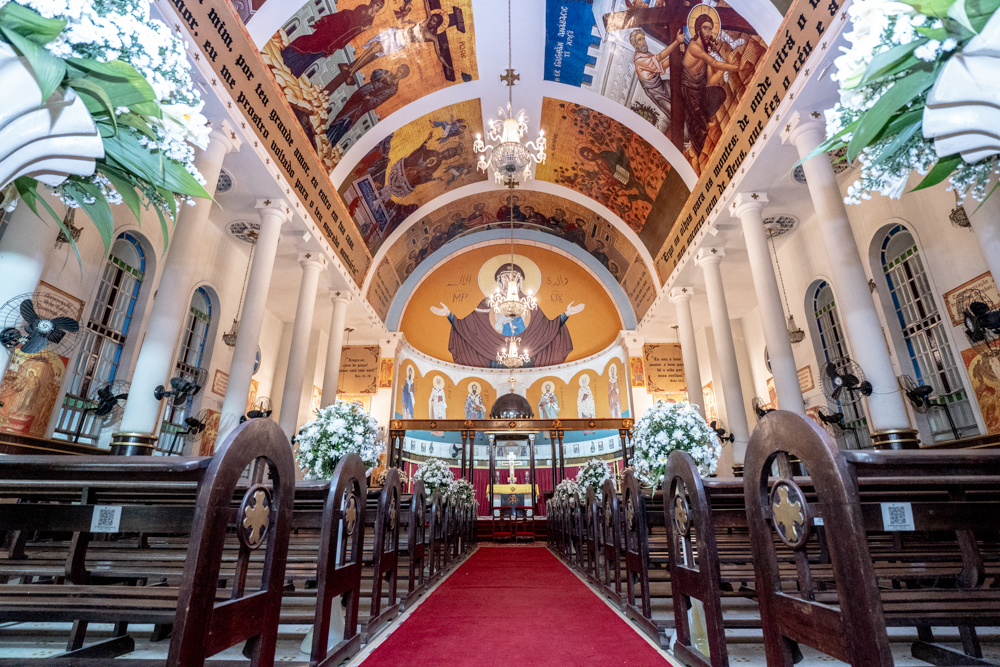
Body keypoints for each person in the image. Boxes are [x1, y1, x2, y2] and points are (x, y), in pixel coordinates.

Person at [429, 264, 585, 368]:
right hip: (494, 358)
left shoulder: (530, 304)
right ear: (499, 280)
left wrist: (567, 314)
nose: (510, 280)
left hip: (526, 359)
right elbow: (468, 327)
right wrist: (449, 315)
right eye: (505, 277)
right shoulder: (487, 303)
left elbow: (546, 329)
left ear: (519, 281)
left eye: (514, 277)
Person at [682, 12, 742, 160]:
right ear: (697, 30)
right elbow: (714, 63)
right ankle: (695, 140)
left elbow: (711, 81)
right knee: (702, 120)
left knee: (719, 93)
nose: (708, 33)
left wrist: (726, 66)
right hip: (688, 91)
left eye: (710, 29)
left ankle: (697, 144)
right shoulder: (695, 48)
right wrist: (735, 67)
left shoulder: (706, 50)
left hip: (700, 90)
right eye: (705, 28)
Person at [280, 0, 386, 79]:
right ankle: (287, 56)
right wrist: (362, 28)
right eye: (378, 4)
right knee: (310, 42)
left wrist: (342, 43)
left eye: (380, 7)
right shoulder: (362, 7)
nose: (378, 8)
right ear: (373, 2)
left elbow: (353, 33)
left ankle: (294, 70)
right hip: (335, 28)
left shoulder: (370, 21)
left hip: (340, 38)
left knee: (316, 54)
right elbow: (352, 20)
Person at [326, 64, 410, 146]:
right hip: (362, 92)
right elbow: (374, 74)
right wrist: (383, 76)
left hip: (364, 103)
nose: (397, 72)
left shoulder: (393, 89)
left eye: (400, 72)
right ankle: (327, 133)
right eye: (398, 69)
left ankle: (331, 141)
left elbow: (380, 99)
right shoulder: (388, 74)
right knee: (343, 112)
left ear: (402, 76)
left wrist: (369, 98)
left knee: (348, 119)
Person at [629, 29, 685, 128]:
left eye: (643, 39)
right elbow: (660, 57)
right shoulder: (639, 60)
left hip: (662, 85)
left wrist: (679, 54)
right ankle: (687, 138)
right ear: (635, 44)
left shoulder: (646, 54)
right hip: (657, 93)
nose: (643, 42)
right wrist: (677, 42)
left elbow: (662, 65)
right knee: (675, 112)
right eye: (640, 40)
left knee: (682, 88)